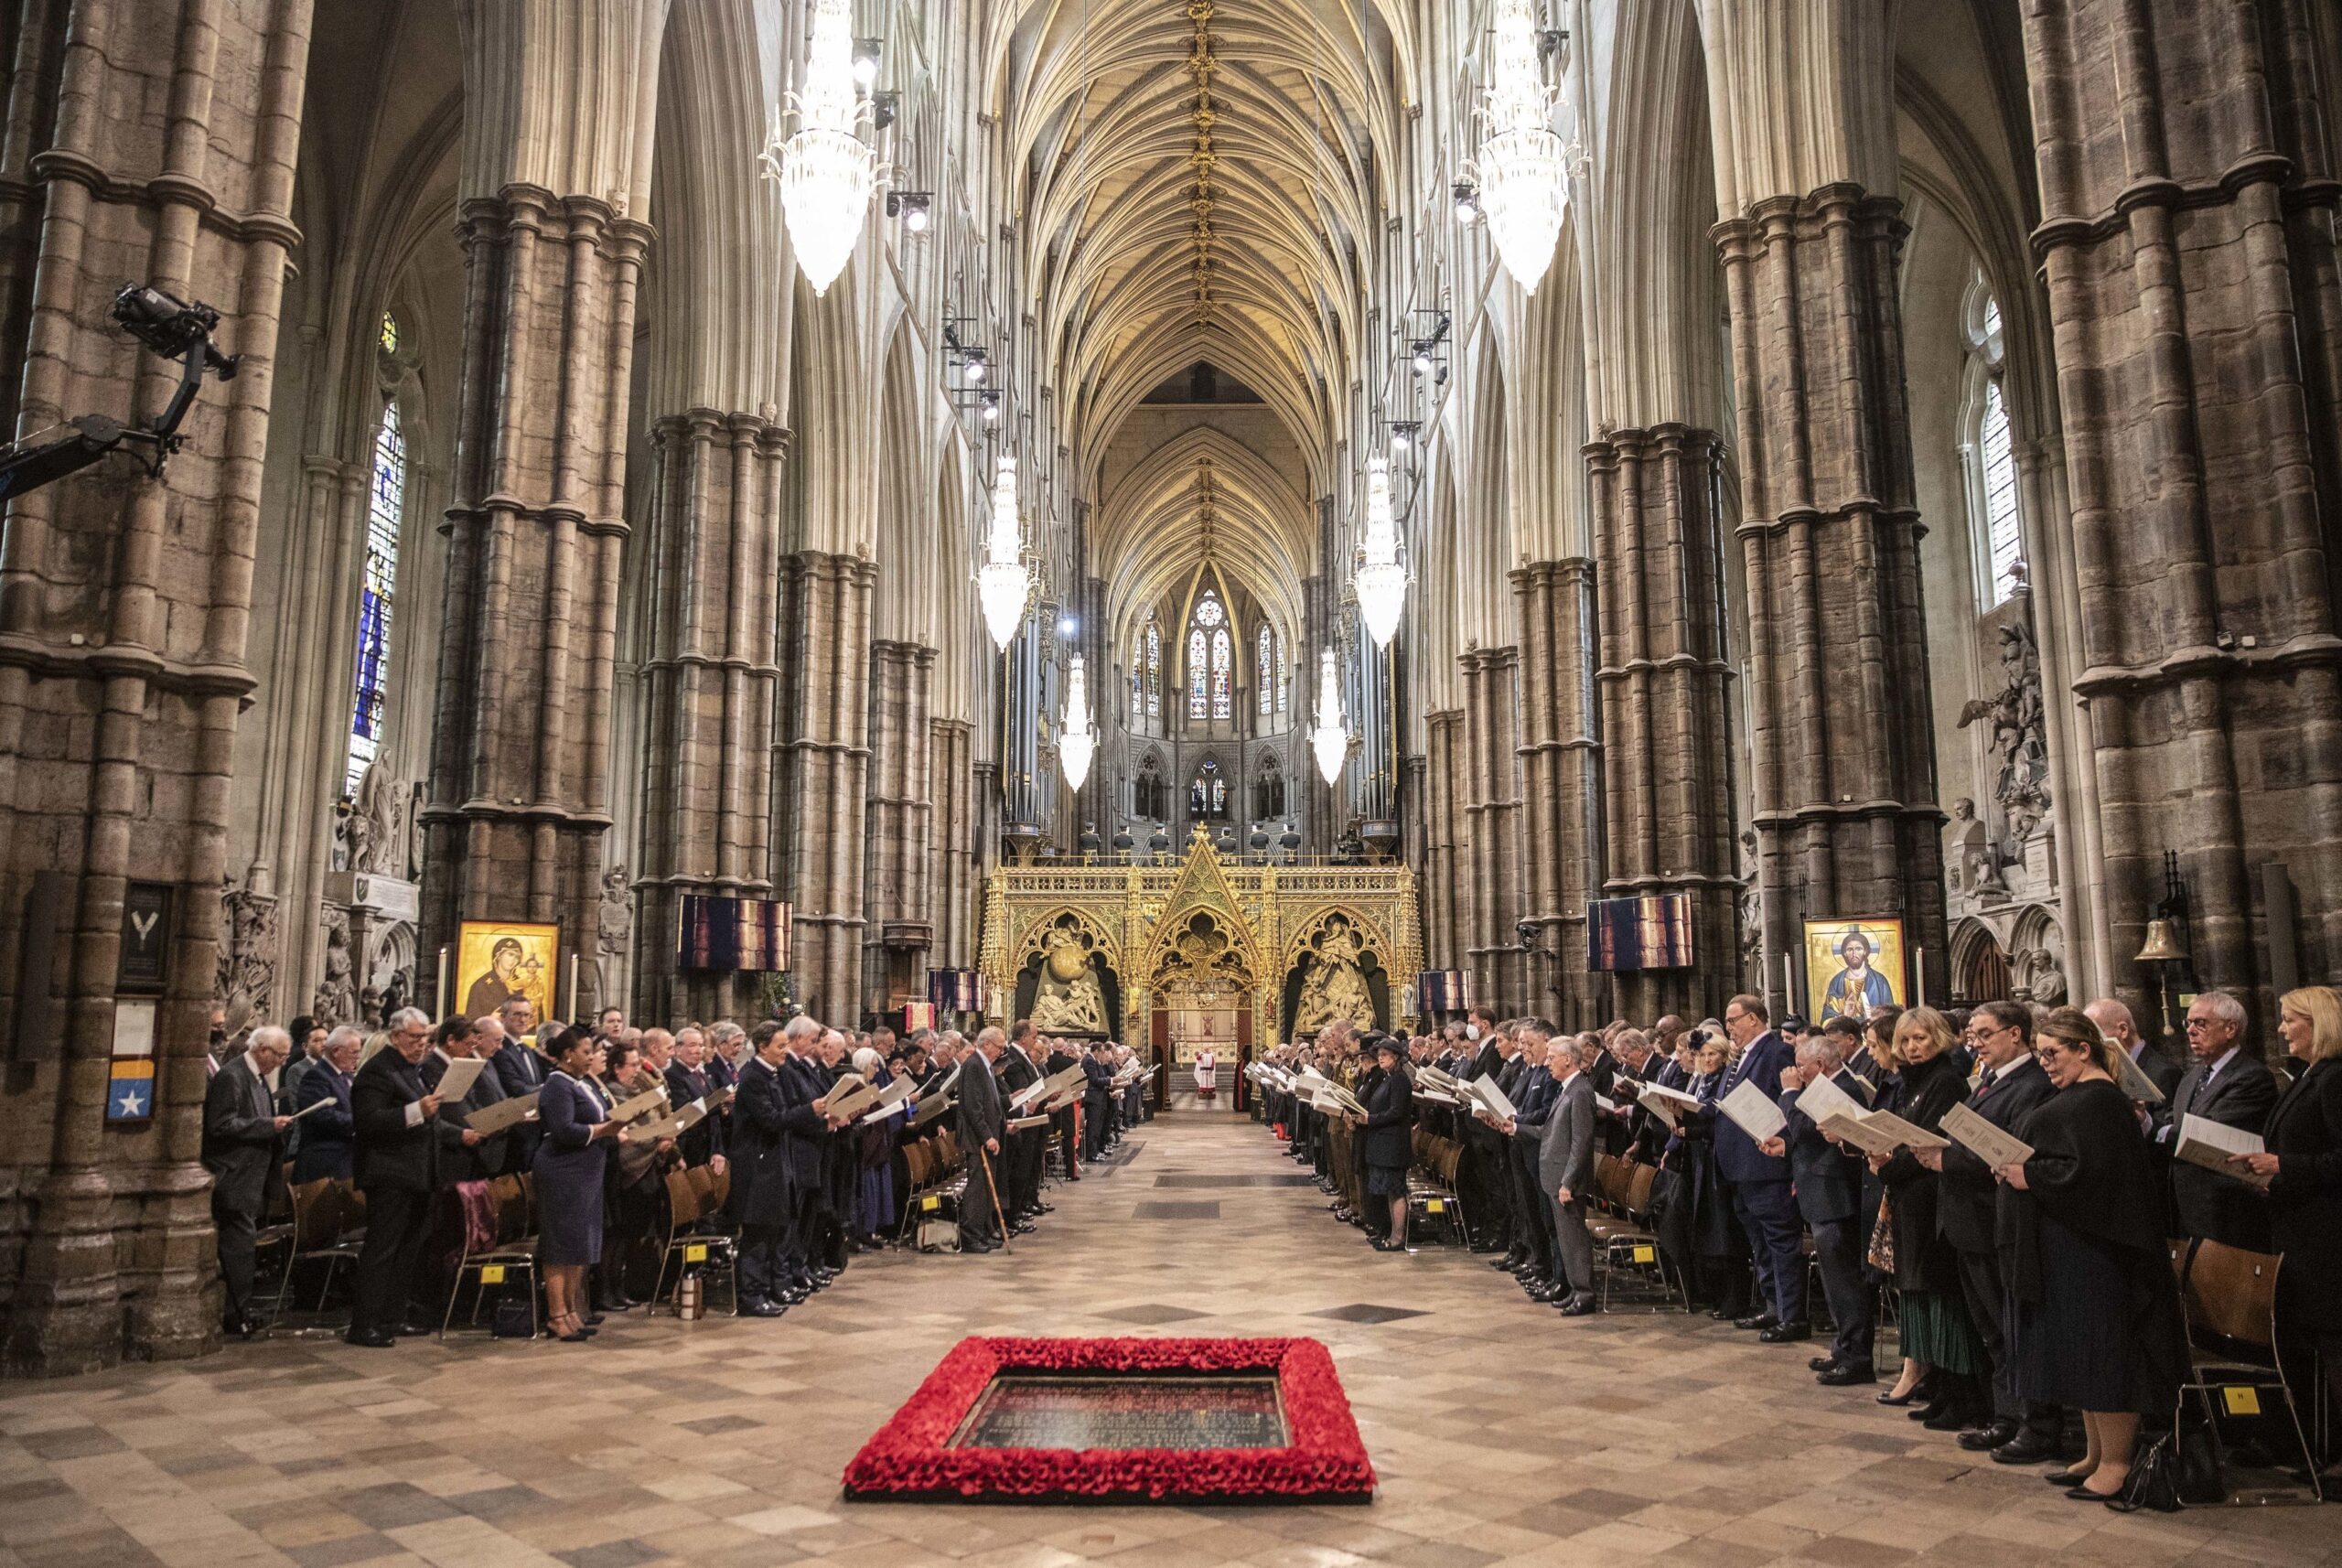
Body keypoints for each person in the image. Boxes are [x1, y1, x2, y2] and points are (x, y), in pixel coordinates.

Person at [1995, 1006, 2188, 1501]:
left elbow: (2092, 1180)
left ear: (2085, 1049)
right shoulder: (2084, 1097)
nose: (2046, 1064)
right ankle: (2097, 1453)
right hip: (2071, 1249)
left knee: (2104, 1356)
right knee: (2081, 1355)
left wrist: (2029, 1174)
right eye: (2040, 1055)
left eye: (2053, 1054)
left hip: (2098, 1255)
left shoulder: (2100, 1101)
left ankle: (2119, 1462)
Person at [1923, 1000, 2060, 1462]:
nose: (1973, 1042)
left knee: (2011, 1327)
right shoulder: (1989, 1082)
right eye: (1973, 1035)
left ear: (2016, 1034)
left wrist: (1947, 1159)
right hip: (1969, 1221)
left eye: (1983, 1034)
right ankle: (2006, 1416)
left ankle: (2034, 1422)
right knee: (1991, 1330)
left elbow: (2013, 1151)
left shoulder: (2033, 1086)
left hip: (1992, 1219)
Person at [2231, 984, 2342, 1477]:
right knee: (2314, 1349)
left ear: (2318, 1023)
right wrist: (2267, 1174)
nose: (2280, 1028)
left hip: (2327, 1242)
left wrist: (2283, 1164)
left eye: (2289, 1019)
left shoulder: (2335, 1079)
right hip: (2299, 1234)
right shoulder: (2311, 1076)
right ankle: (2323, 1448)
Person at [1872, 1005, 1989, 1430]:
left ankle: (1962, 1396)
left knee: (1942, 1299)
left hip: (1934, 1202)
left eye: (1920, 1038)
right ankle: (1939, 1389)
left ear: (1938, 1037)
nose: (1912, 1047)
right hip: (1910, 1203)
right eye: (1905, 1040)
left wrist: (1888, 1166)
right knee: (1918, 1296)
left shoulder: (1946, 1081)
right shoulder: (1912, 1082)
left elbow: (1930, 1147)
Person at [348, 1008, 480, 1348]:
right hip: (389, 1174)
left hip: (419, 1174)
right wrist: (416, 1111)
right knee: (382, 1249)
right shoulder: (377, 1071)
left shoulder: (412, 1070)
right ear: (395, 1037)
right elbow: (368, 1121)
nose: (422, 1043)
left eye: (425, 1037)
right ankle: (364, 1324)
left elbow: (431, 1119)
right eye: (415, 1037)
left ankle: (392, 1317)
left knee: (408, 1249)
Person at [1765, 1033, 1873, 1383]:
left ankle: (1856, 1357)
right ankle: (1843, 1347)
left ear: (1820, 1065)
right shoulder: (1827, 1087)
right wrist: (1786, 1147)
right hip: (1822, 1193)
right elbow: (1806, 1136)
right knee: (1834, 1281)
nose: (1795, 1072)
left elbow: (1800, 1125)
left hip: (1835, 1197)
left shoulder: (1839, 1089)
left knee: (1845, 1281)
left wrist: (1789, 1094)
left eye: (1800, 1066)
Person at [1714, 994, 1808, 1341]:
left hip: (1767, 1166)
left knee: (1781, 1243)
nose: (1729, 1028)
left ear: (1753, 1019)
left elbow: (1787, 1103)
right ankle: (1773, 1306)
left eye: (1733, 1020)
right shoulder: (1740, 1058)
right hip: (1742, 1167)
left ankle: (1792, 1315)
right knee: (1761, 1245)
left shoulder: (1776, 1052)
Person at [2158, 990, 2279, 1250]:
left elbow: (2205, 1134)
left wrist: (2153, 1129)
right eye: (2187, 1023)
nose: (2190, 1031)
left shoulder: (2251, 1077)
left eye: (2200, 1023)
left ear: (2230, 1029)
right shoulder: (2191, 1076)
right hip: (2188, 1212)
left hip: (2227, 1214)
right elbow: (2174, 1121)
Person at [202, 1025, 293, 1338]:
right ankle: (236, 1316)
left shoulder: (256, 1077)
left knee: (242, 1249)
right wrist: (268, 1125)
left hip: (249, 1177)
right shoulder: (232, 1076)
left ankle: (240, 1312)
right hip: (233, 1176)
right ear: (262, 1050)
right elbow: (220, 1124)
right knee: (239, 1249)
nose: (282, 1062)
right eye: (280, 1055)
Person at [535, 1027, 618, 1342]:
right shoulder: (557, 1084)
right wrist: (604, 1130)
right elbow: (564, 1130)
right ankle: (556, 1315)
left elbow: (596, 1117)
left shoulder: (579, 1083)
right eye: (586, 1052)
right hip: (563, 1169)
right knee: (561, 1244)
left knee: (579, 1244)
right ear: (568, 1054)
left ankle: (572, 1310)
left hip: (585, 1170)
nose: (592, 1058)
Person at [1539, 1035, 1600, 1315]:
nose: (1547, 1062)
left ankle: (1585, 1295)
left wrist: (1568, 1181)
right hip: (1557, 1176)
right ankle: (1576, 1289)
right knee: (1566, 1238)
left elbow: (1581, 1142)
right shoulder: (1567, 1088)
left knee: (1575, 1238)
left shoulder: (1581, 1091)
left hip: (1567, 1181)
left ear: (1567, 1059)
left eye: (1551, 1057)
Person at [1353, 1035, 1414, 1251]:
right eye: (1379, 1055)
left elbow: (1397, 1112)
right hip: (1383, 1143)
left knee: (1396, 1190)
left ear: (1396, 1057)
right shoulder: (1388, 1078)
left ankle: (1398, 1237)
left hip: (1393, 1144)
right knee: (1389, 1190)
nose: (1380, 1059)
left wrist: (1370, 1119)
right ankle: (1391, 1233)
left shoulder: (1399, 1080)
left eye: (1385, 1055)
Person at [958, 1027, 1008, 1252]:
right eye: (999, 1047)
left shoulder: (984, 1066)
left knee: (988, 1188)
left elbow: (992, 1104)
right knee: (977, 1189)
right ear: (986, 1044)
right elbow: (973, 1107)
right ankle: (970, 1236)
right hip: (977, 1139)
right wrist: (987, 1136)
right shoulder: (974, 1066)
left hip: (990, 1136)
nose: (1001, 1052)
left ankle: (984, 1231)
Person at [291, 1026, 361, 1183]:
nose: (358, 1057)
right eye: (354, 1052)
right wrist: (360, 1121)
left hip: (344, 1159)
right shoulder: (316, 1076)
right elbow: (322, 1115)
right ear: (336, 1051)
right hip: (324, 1162)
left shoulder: (347, 1076)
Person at [2086, 995, 2183, 1101]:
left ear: (2123, 1030)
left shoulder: (2164, 1073)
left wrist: (2144, 1117)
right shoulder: (2104, 1070)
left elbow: (2168, 1116)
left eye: (2095, 1033)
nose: (2090, 1041)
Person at [1821, 929, 1896, 1022]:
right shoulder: (1837, 982)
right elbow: (1827, 1020)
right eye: (1850, 949)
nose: (1854, 954)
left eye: (1858, 949)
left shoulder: (1880, 981)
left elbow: (1891, 1015)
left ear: (1865, 951)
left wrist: (1874, 1015)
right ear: (1844, 953)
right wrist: (1844, 1016)